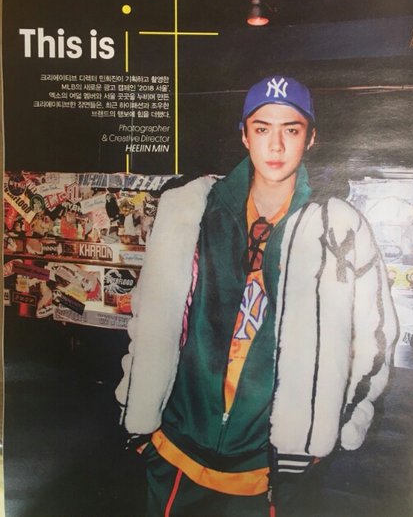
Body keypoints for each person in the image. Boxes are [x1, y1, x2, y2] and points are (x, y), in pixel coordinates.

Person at [116, 76, 398, 517]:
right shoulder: (193, 208)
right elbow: (150, 316)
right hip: (175, 448)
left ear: (311, 138)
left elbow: (376, 340)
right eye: (262, 128)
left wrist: (324, 433)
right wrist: (138, 413)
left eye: (291, 129)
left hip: (268, 467)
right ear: (244, 135)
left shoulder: (338, 227)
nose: (276, 145)